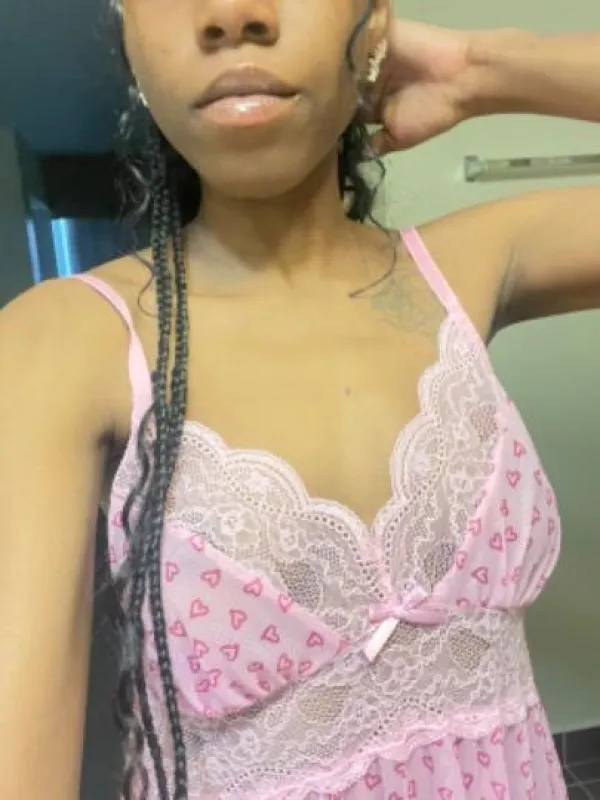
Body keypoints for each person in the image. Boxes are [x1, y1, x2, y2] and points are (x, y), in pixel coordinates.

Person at [1, 1, 599, 798]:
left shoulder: (470, 264)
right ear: (130, 41)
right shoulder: (60, 343)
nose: (230, 13)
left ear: (372, 23)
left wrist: (479, 70)